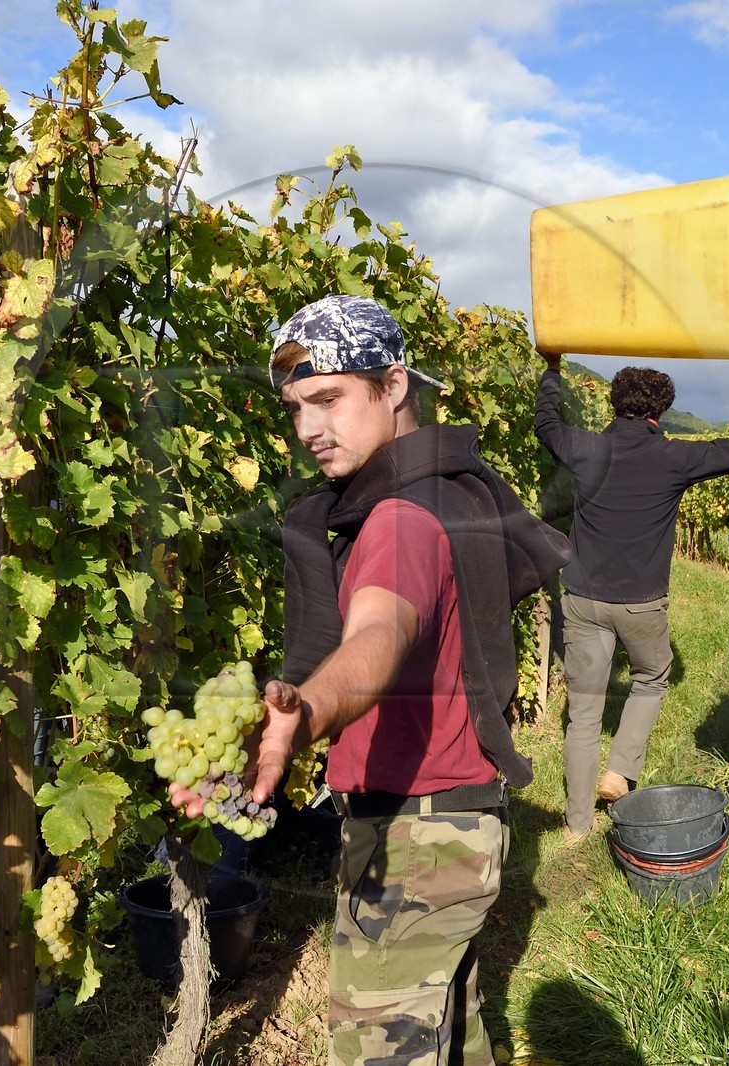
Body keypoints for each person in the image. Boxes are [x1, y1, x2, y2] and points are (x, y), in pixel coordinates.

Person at [172, 294, 569, 1066]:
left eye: (327, 399)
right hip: (457, 823)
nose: (307, 429)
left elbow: (379, 636)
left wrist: (309, 709)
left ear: (393, 387)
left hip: (417, 837)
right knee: (454, 1041)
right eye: (294, 408)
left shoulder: (396, 521)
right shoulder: (453, 489)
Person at [534, 353, 729, 839]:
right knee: (652, 677)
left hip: (583, 599)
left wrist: (552, 370)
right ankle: (621, 768)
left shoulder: (585, 447)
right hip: (642, 603)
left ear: (614, 405)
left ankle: (576, 825)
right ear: (662, 412)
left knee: (584, 710)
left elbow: (546, 422)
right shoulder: (675, 457)